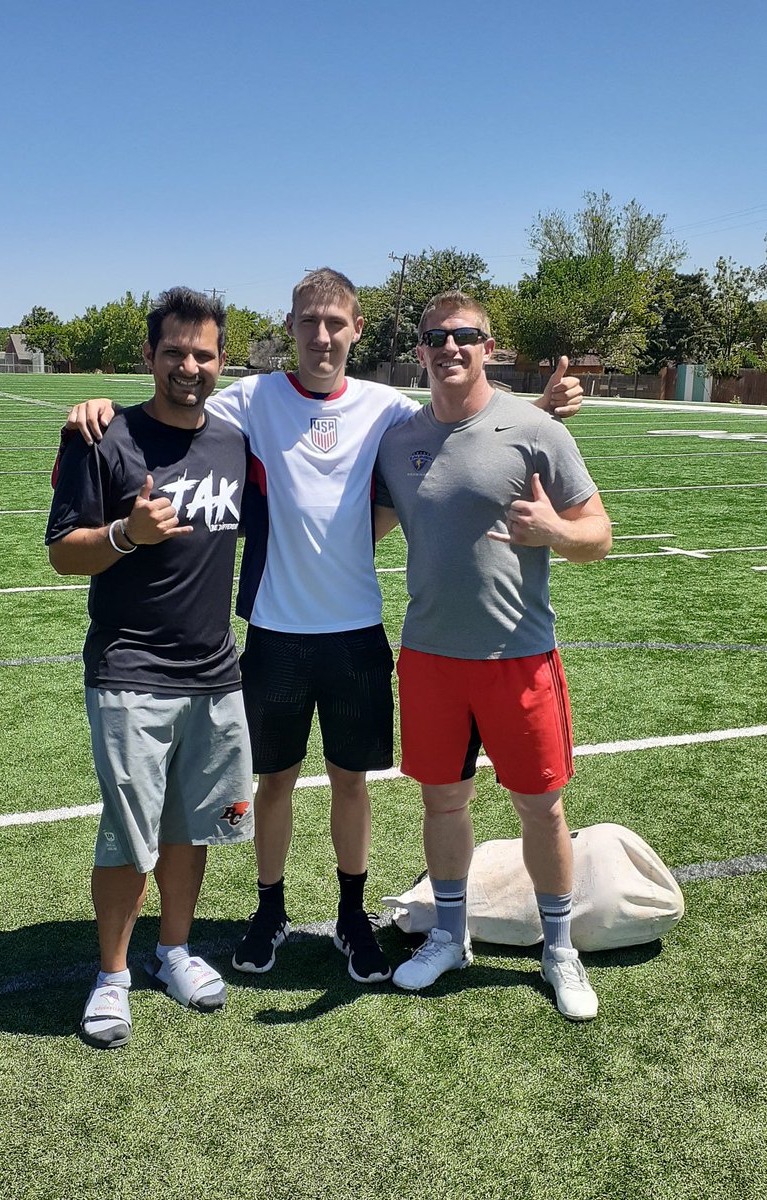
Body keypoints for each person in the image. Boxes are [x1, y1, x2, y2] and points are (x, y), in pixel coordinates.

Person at [63, 268, 584, 988]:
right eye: (309, 321)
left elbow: (463, 417)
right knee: (272, 784)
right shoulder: (252, 397)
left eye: (336, 322)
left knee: (350, 784)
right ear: (293, 327)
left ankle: (349, 913)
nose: (322, 335)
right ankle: (268, 909)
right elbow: (175, 402)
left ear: (357, 330)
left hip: (355, 631)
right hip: (273, 631)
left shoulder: (386, 408)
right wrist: (100, 406)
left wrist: (542, 409)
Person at [373, 291, 612, 1020]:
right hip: (430, 657)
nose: (450, 347)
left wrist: (555, 533)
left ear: (489, 345)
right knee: (442, 800)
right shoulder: (399, 440)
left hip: (518, 655)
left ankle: (560, 948)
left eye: (465, 336)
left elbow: (598, 534)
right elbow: (369, 526)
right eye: (436, 337)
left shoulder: (535, 429)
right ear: (420, 350)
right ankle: (449, 935)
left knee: (540, 808)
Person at [46, 287, 253, 1048]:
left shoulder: (234, 442)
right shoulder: (104, 436)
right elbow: (64, 552)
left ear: (221, 360)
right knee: (127, 836)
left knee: (192, 828)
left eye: (203, 354)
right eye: (175, 353)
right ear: (149, 357)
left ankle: (173, 951)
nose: (189, 366)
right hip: (131, 670)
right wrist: (127, 536)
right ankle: (112, 974)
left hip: (214, 671)